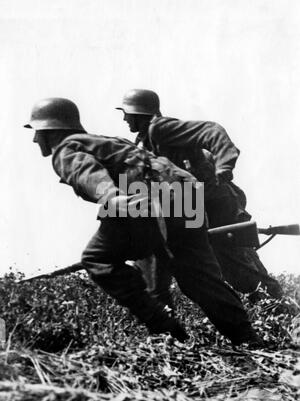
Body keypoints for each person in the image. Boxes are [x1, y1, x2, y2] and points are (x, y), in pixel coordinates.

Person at [24, 97, 264, 347]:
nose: (35, 139)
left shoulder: (66, 147)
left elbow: (84, 172)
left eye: (37, 132)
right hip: (186, 196)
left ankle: (166, 330)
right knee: (200, 277)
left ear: (50, 130)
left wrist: (110, 196)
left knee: (97, 258)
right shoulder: (108, 141)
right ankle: (247, 337)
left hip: (141, 199)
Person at [116, 89, 283, 300]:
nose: (124, 118)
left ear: (137, 112)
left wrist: (224, 166)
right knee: (230, 268)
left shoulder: (159, 128)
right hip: (198, 208)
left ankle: (284, 312)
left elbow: (211, 131)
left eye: (126, 113)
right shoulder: (145, 142)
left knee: (240, 270)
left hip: (215, 205)